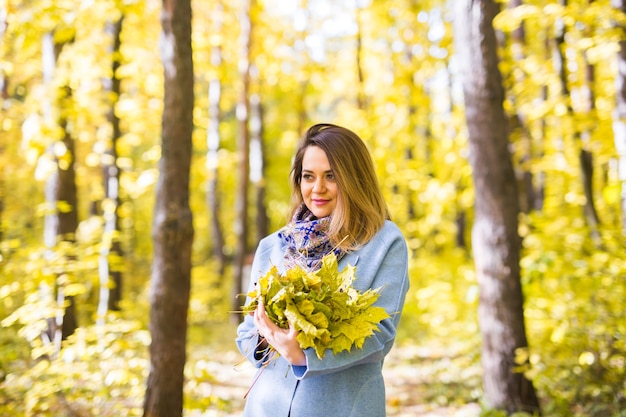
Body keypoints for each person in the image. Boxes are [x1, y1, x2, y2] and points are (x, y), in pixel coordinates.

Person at [235, 123, 410, 417]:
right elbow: (247, 331)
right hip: (268, 407)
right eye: (308, 176)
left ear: (354, 179)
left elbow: (381, 335)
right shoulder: (273, 246)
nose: (317, 188)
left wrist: (304, 356)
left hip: (343, 407)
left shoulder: (384, 242)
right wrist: (266, 338)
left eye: (331, 176)